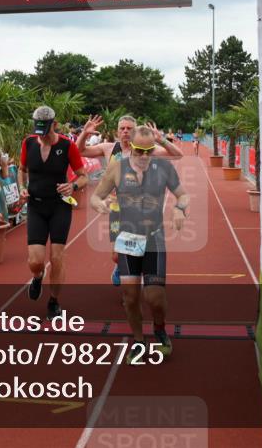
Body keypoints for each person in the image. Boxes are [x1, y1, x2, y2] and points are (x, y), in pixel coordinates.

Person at [90, 125, 189, 361]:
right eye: (139, 151)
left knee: (154, 297)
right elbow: (97, 195)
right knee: (131, 297)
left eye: (149, 151)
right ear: (129, 147)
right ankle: (138, 340)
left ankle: (159, 328)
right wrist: (98, 204)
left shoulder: (163, 167)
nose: (144, 157)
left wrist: (179, 209)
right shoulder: (117, 168)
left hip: (154, 237)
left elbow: (183, 194)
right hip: (127, 238)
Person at [76, 115, 183, 285]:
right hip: (117, 208)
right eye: (122, 128)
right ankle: (122, 268)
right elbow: (79, 151)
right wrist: (84, 134)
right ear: (116, 132)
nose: (125, 131)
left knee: (140, 250)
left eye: (129, 129)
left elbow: (177, 155)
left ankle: (135, 277)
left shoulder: (145, 149)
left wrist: (161, 139)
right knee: (116, 254)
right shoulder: (109, 148)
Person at [18, 105, 87, 319]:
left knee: (57, 257)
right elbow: (22, 170)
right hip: (36, 206)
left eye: (46, 130)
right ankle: (38, 277)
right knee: (35, 261)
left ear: (54, 125)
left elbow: (83, 175)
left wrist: (73, 186)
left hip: (59, 206)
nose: (43, 135)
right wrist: (22, 187)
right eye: (39, 130)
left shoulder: (68, 146)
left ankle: (53, 302)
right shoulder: (28, 143)